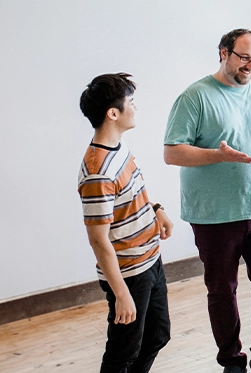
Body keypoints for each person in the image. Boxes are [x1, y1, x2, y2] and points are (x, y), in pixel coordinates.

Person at [163, 29, 251, 373]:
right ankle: (232, 361)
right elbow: (172, 152)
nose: (250, 66)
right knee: (222, 289)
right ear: (224, 53)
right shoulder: (195, 97)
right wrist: (216, 156)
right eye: (243, 57)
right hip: (213, 215)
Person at [78, 73, 173, 373]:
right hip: (130, 273)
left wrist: (155, 208)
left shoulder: (119, 147)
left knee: (158, 335)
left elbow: (132, 192)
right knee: (123, 351)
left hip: (150, 259)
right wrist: (121, 294)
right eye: (131, 102)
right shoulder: (97, 172)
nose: (136, 107)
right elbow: (98, 239)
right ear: (113, 113)